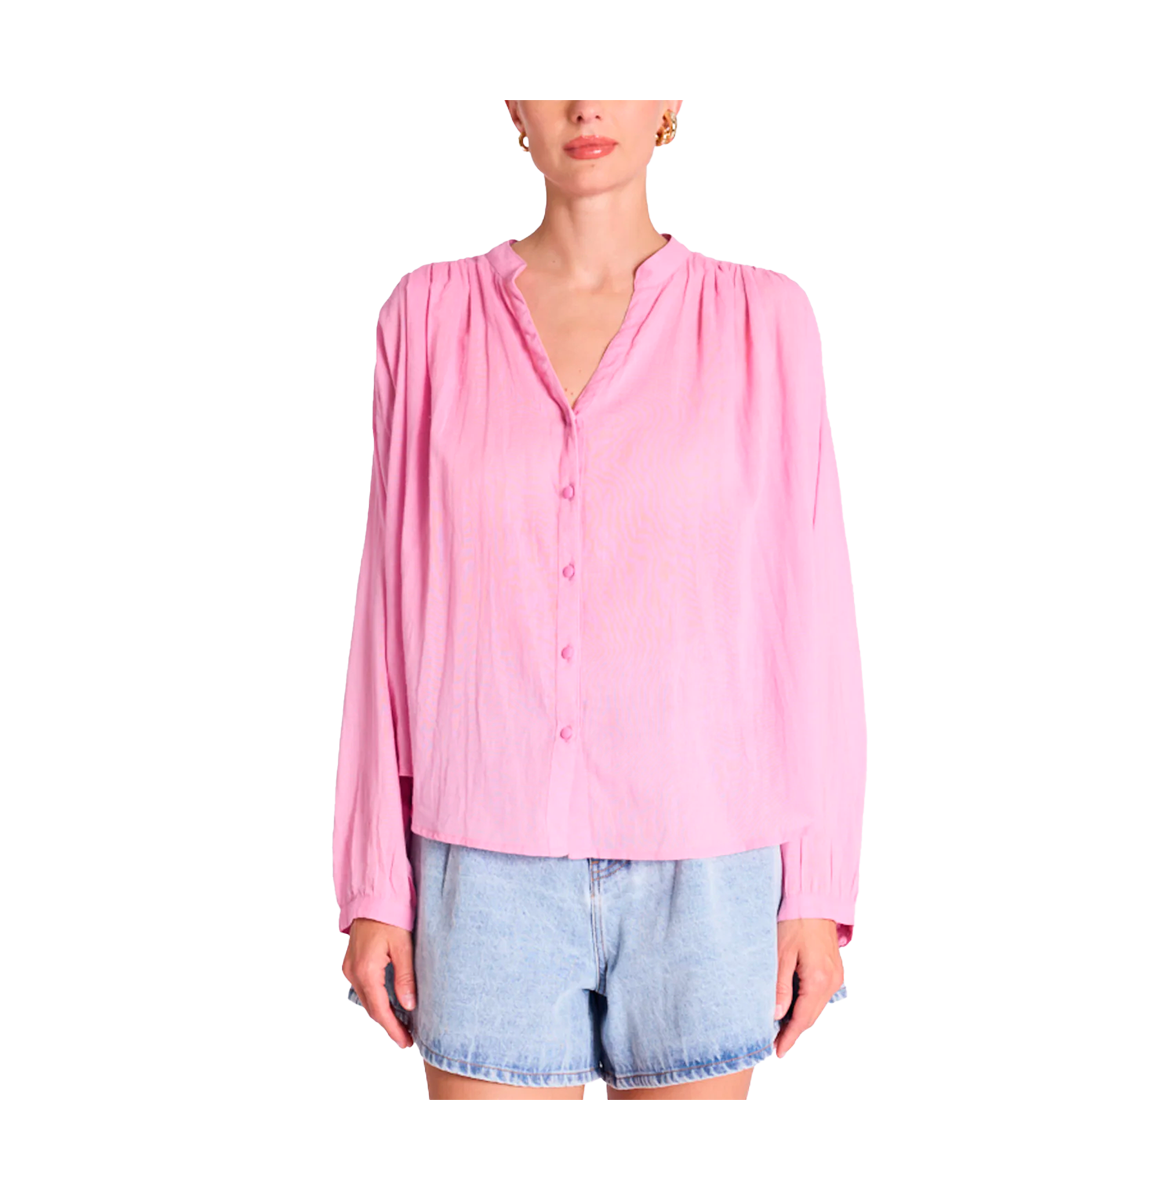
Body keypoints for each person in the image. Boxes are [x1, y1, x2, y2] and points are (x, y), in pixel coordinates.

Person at [335, 100, 865, 1101]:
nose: (586, 103)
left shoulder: (764, 320)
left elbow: (813, 622)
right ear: (511, 102)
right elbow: (386, 615)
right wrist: (374, 882)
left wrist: (819, 885)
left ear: (670, 98)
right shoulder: (427, 317)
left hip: (710, 866)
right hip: (480, 866)